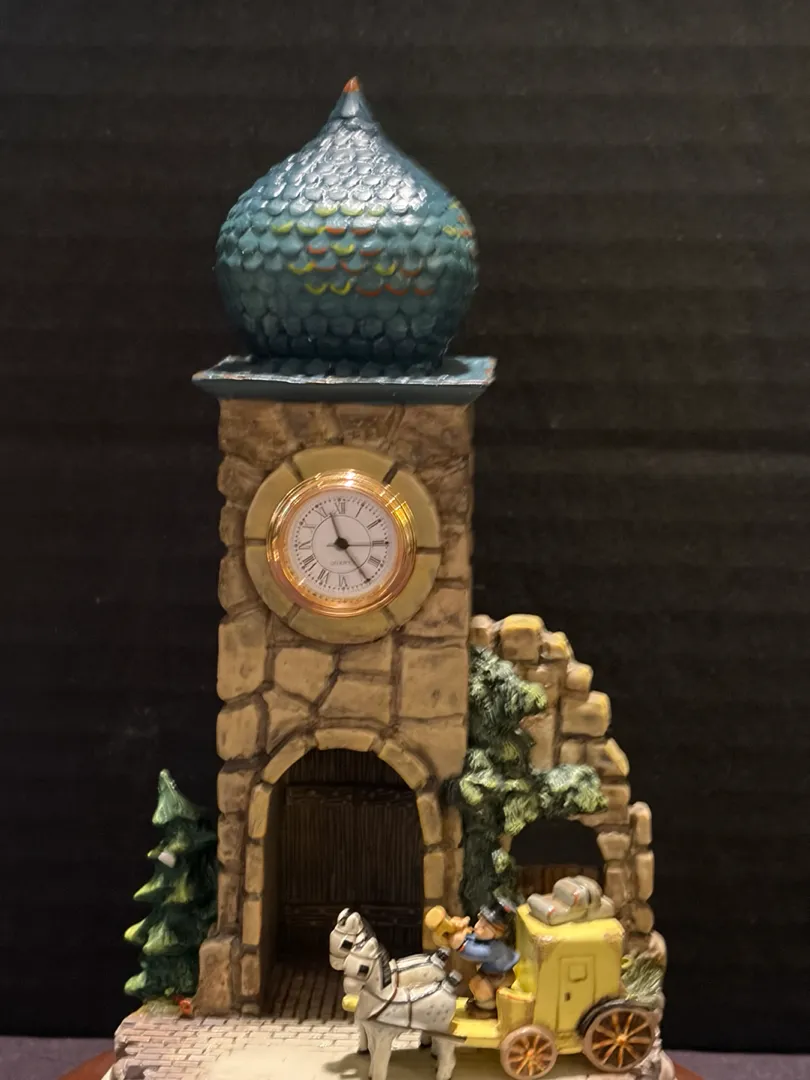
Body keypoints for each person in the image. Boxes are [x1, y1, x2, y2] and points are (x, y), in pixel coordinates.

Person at [448, 901, 519, 1016]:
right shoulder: (490, 940)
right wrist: (461, 933)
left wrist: (460, 945)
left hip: (499, 978)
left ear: (498, 931)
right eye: (480, 920)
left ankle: (488, 1009)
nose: (477, 926)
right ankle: (483, 1004)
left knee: (480, 987)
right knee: (476, 983)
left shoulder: (496, 948)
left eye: (484, 926)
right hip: (491, 974)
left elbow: (475, 952)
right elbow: (473, 939)